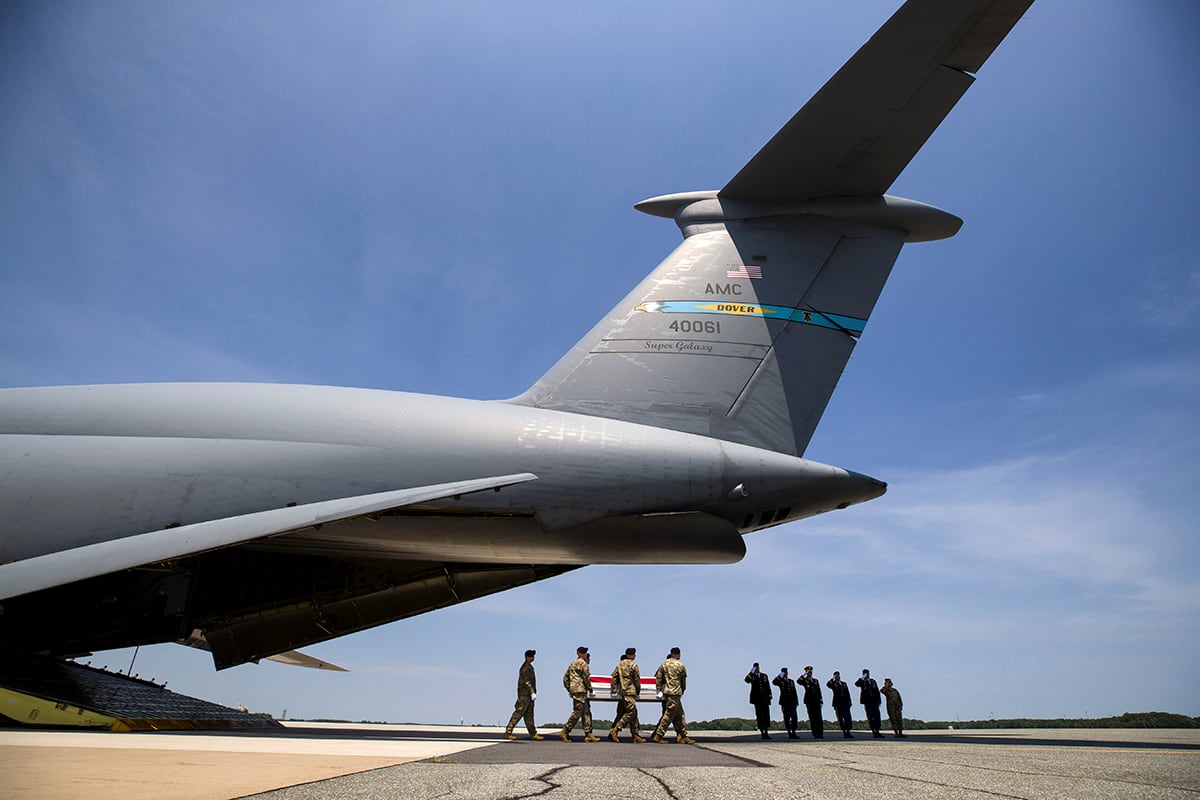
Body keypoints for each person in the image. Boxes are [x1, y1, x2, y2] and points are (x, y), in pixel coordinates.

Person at [651, 647, 694, 744]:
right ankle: (658, 735)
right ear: (678, 654)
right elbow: (683, 681)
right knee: (669, 715)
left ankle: (683, 735)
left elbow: (658, 678)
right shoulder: (680, 665)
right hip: (675, 693)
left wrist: (658, 690)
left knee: (680, 715)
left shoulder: (664, 664)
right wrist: (682, 690)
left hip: (666, 692)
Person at [560, 646, 599, 742]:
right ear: (580, 654)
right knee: (578, 712)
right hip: (580, 690)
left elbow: (565, 678)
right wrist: (590, 689)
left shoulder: (572, 664)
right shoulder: (583, 664)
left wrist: (569, 688)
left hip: (575, 689)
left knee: (586, 711)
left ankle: (588, 734)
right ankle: (565, 731)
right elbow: (586, 678)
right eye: (584, 652)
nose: (585, 654)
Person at [504, 649, 544, 740]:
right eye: (531, 656)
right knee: (518, 713)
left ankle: (533, 733)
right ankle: (508, 732)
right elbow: (527, 682)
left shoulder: (529, 667)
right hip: (524, 695)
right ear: (527, 657)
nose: (533, 657)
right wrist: (532, 692)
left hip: (528, 695)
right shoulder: (525, 668)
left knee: (529, 715)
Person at [609, 647, 645, 742]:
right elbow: (637, 680)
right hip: (630, 691)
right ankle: (616, 729)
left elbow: (614, 678)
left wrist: (613, 690)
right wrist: (638, 691)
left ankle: (635, 735)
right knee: (631, 712)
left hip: (622, 692)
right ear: (632, 655)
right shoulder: (633, 665)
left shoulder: (619, 665)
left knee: (632, 713)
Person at [745, 662, 773, 739]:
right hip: (757, 699)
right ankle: (762, 732)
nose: (757, 668)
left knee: (766, 715)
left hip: (765, 699)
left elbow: (768, 686)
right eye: (755, 667)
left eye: (757, 667)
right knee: (759, 715)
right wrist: (751, 672)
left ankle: (766, 731)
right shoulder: (752, 676)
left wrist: (770, 696)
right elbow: (747, 680)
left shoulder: (764, 676)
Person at [855, 668, 883, 738]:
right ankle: (874, 731)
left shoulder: (873, 681)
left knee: (877, 716)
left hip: (874, 702)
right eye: (866, 674)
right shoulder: (862, 681)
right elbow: (857, 684)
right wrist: (862, 678)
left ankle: (877, 730)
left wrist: (879, 700)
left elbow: (877, 691)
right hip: (867, 702)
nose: (868, 675)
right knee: (871, 716)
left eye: (868, 674)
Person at [798, 665, 824, 738]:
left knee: (819, 717)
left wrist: (820, 699)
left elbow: (819, 690)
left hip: (816, 700)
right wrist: (803, 675)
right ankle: (815, 733)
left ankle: (820, 733)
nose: (810, 673)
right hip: (809, 701)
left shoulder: (815, 680)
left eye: (811, 672)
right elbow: (798, 681)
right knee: (812, 717)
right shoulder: (805, 680)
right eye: (808, 672)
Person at [772, 667, 800, 738]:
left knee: (794, 718)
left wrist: (796, 701)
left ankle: (794, 732)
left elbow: (794, 692)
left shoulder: (791, 681)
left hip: (792, 702)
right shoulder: (780, 681)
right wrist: (779, 676)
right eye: (784, 672)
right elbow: (774, 682)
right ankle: (789, 732)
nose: (786, 673)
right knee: (787, 718)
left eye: (786, 672)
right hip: (785, 702)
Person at [827, 670, 854, 738]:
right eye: (836, 676)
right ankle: (844, 731)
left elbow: (847, 693)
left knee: (847, 717)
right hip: (838, 704)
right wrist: (832, 679)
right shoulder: (833, 684)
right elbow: (828, 684)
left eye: (838, 676)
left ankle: (848, 731)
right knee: (840, 718)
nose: (838, 677)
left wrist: (849, 701)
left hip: (845, 703)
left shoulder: (844, 684)